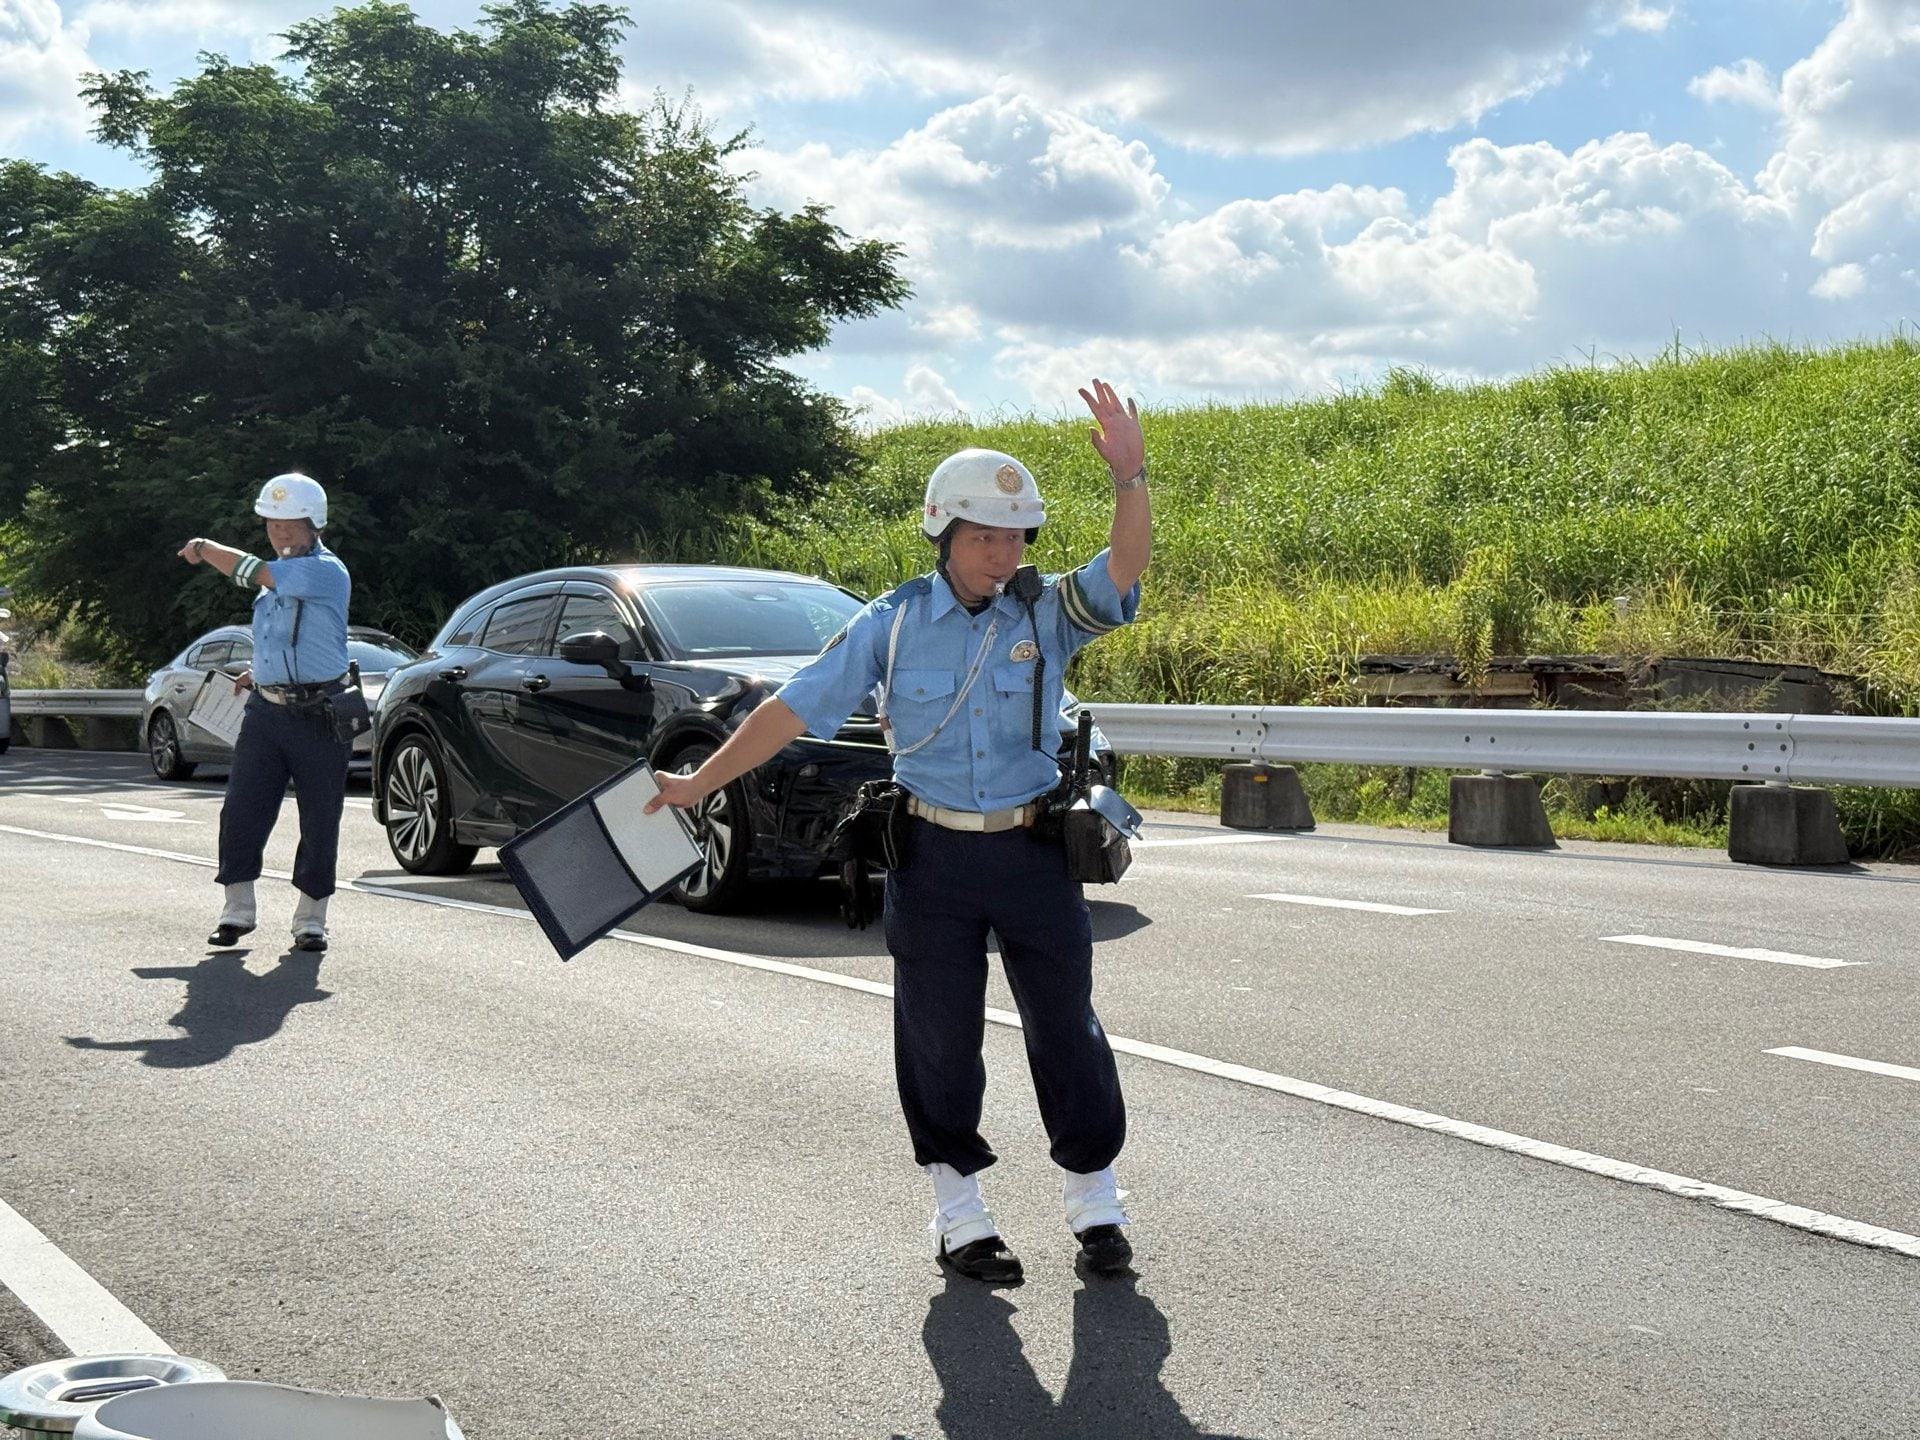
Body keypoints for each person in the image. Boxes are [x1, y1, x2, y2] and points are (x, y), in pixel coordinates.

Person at [648, 378, 1151, 1284]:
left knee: (1066, 1030)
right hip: (933, 855)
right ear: (944, 533)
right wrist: (698, 782)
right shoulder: (889, 623)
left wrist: (1131, 477)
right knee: (939, 1037)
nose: (1004, 552)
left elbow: (1122, 570)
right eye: (985, 536)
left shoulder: (1044, 611)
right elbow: (793, 710)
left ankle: (1094, 1203)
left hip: (1035, 849)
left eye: (1015, 536)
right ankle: (960, 1214)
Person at [177, 473, 353, 953]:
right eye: (273, 522)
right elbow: (285, 635)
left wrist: (205, 547)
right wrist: (260, 670)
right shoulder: (281, 569)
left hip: (319, 713)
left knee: (320, 818)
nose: (280, 531)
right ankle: (236, 912)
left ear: (314, 522)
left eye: (291, 522)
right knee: (242, 811)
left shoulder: (324, 570)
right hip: (267, 712)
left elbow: (255, 572)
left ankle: (311, 920)